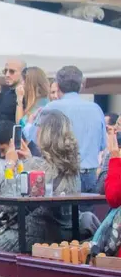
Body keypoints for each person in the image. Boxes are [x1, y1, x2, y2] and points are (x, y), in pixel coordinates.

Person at [0, 110, 82, 253]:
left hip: (32, 234)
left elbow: (6, 203)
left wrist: (10, 164)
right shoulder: (72, 167)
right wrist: (30, 160)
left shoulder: (37, 165)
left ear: (43, 134)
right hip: (64, 233)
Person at [43, 66, 106, 194]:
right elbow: (102, 145)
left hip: (62, 175)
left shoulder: (51, 108)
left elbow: (35, 140)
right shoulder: (96, 109)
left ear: (57, 86)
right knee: (88, 208)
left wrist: (28, 123)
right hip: (89, 174)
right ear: (81, 85)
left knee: (62, 207)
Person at [16, 66, 50, 144]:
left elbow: (20, 126)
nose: (21, 84)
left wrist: (19, 100)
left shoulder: (42, 104)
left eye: (23, 81)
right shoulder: (37, 102)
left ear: (30, 83)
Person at [0, 58, 25, 125]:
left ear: (23, 73)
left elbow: (22, 124)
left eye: (12, 71)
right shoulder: (6, 94)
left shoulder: (28, 94)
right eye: (5, 71)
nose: (7, 75)